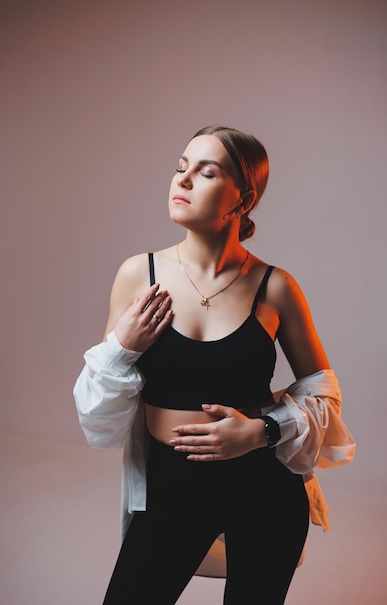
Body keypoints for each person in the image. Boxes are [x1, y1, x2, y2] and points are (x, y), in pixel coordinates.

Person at [73, 125, 355, 604]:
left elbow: (323, 390)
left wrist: (260, 432)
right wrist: (123, 346)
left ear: (242, 199)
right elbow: (100, 421)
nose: (181, 181)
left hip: (263, 488)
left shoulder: (276, 287)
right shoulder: (140, 275)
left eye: (205, 173)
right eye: (181, 168)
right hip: (170, 486)